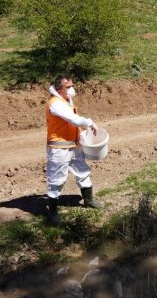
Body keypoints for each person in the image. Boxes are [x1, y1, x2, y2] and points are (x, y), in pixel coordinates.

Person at [45, 75, 101, 225]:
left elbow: (71, 123)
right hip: (59, 148)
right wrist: (89, 122)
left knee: (82, 171)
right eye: (68, 87)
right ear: (59, 89)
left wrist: (81, 132)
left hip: (74, 145)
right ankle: (52, 213)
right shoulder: (55, 103)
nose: (72, 89)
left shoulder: (65, 100)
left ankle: (89, 200)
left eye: (71, 86)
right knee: (57, 179)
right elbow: (73, 119)